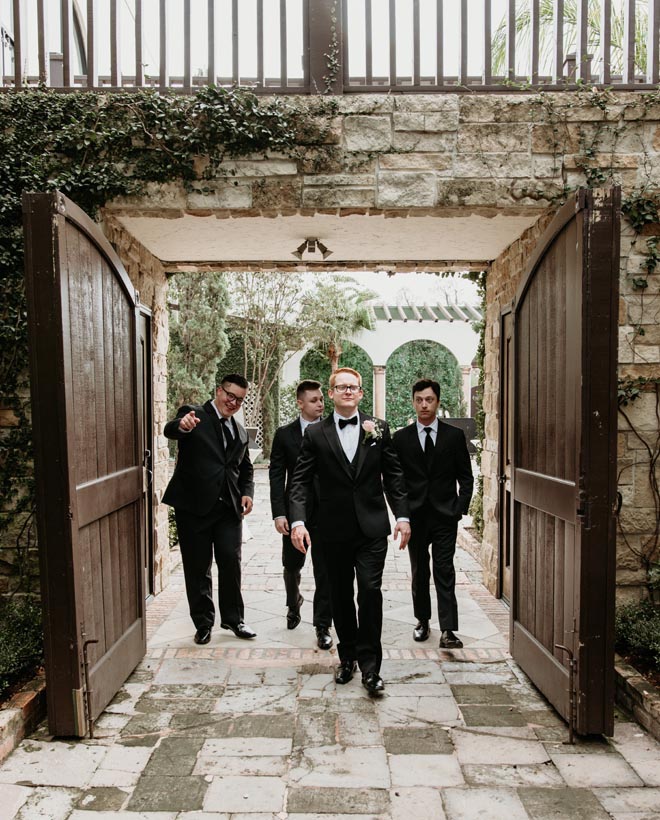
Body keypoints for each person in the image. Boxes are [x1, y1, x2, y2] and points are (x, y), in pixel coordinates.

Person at [289, 367, 410, 696]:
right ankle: (347, 658)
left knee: (370, 593)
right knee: (340, 596)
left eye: (352, 387)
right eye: (340, 387)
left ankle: (371, 669)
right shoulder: (315, 434)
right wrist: (298, 521)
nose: (347, 391)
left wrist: (402, 516)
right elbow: (299, 481)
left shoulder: (379, 429)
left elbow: (394, 477)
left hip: (371, 529)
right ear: (331, 394)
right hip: (332, 531)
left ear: (360, 393)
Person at [163, 374, 257, 645]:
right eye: (230, 395)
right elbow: (173, 429)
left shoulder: (238, 430)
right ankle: (203, 623)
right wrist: (183, 425)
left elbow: (246, 468)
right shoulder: (195, 414)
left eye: (240, 399)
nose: (233, 402)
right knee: (197, 567)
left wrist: (247, 494)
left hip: (228, 509)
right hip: (194, 508)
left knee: (231, 561)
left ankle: (234, 618)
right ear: (219, 390)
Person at [392, 378, 474, 649]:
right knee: (419, 572)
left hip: (444, 516)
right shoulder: (401, 438)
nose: (424, 404)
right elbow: (395, 481)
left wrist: (459, 509)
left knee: (444, 570)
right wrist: (401, 515)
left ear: (438, 402)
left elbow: (466, 477)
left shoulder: (453, 436)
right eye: (419, 400)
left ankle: (448, 630)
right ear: (413, 402)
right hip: (415, 517)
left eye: (429, 399)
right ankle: (422, 621)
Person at [269, 380, 333, 649]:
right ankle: (293, 603)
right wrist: (279, 513)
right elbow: (276, 475)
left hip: (327, 511)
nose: (320, 404)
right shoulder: (285, 435)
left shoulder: (333, 429)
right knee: (292, 565)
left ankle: (322, 625)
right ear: (300, 403)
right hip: (296, 511)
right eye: (314, 400)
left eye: (321, 399)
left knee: (325, 571)